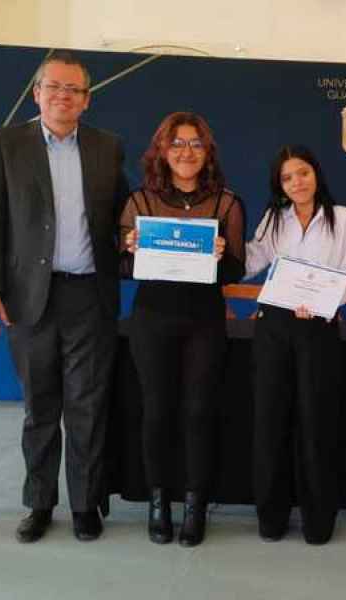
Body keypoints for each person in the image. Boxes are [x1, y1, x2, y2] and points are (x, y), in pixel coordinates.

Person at [0, 50, 127, 543]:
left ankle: (84, 504)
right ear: (37, 93)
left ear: (86, 99)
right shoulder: (6, 144)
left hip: (90, 295)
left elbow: (123, 217)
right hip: (28, 298)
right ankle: (39, 503)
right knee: (39, 408)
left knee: (86, 406)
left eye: (73, 89)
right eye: (53, 87)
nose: (63, 96)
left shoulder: (107, 147)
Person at [121, 111, 245, 547]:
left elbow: (235, 270)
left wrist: (222, 253)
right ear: (162, 150)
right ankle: (158, 502)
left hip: (204, 321)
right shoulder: (140, 202)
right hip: (152, 319)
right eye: (177, 143)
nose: (186, 152)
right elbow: (124, 268)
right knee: (156, 411)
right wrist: (130, 248)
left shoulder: (226, 203)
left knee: (198, 412)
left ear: (207, 152)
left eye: (195, 143)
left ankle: (195, 504)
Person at [246, 145, 346, 545]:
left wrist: (321, 303)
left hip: (320, 326)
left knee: (317, 424)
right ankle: (271, 518)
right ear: (279, 185)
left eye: (303, 173)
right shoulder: (273, 219)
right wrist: (214, 250)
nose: (297, 182)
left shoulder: (345, 218)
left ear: (316, 174)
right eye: (287, 177)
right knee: (270, 423)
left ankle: (318, 522)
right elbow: (251, 262)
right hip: (274, 326)